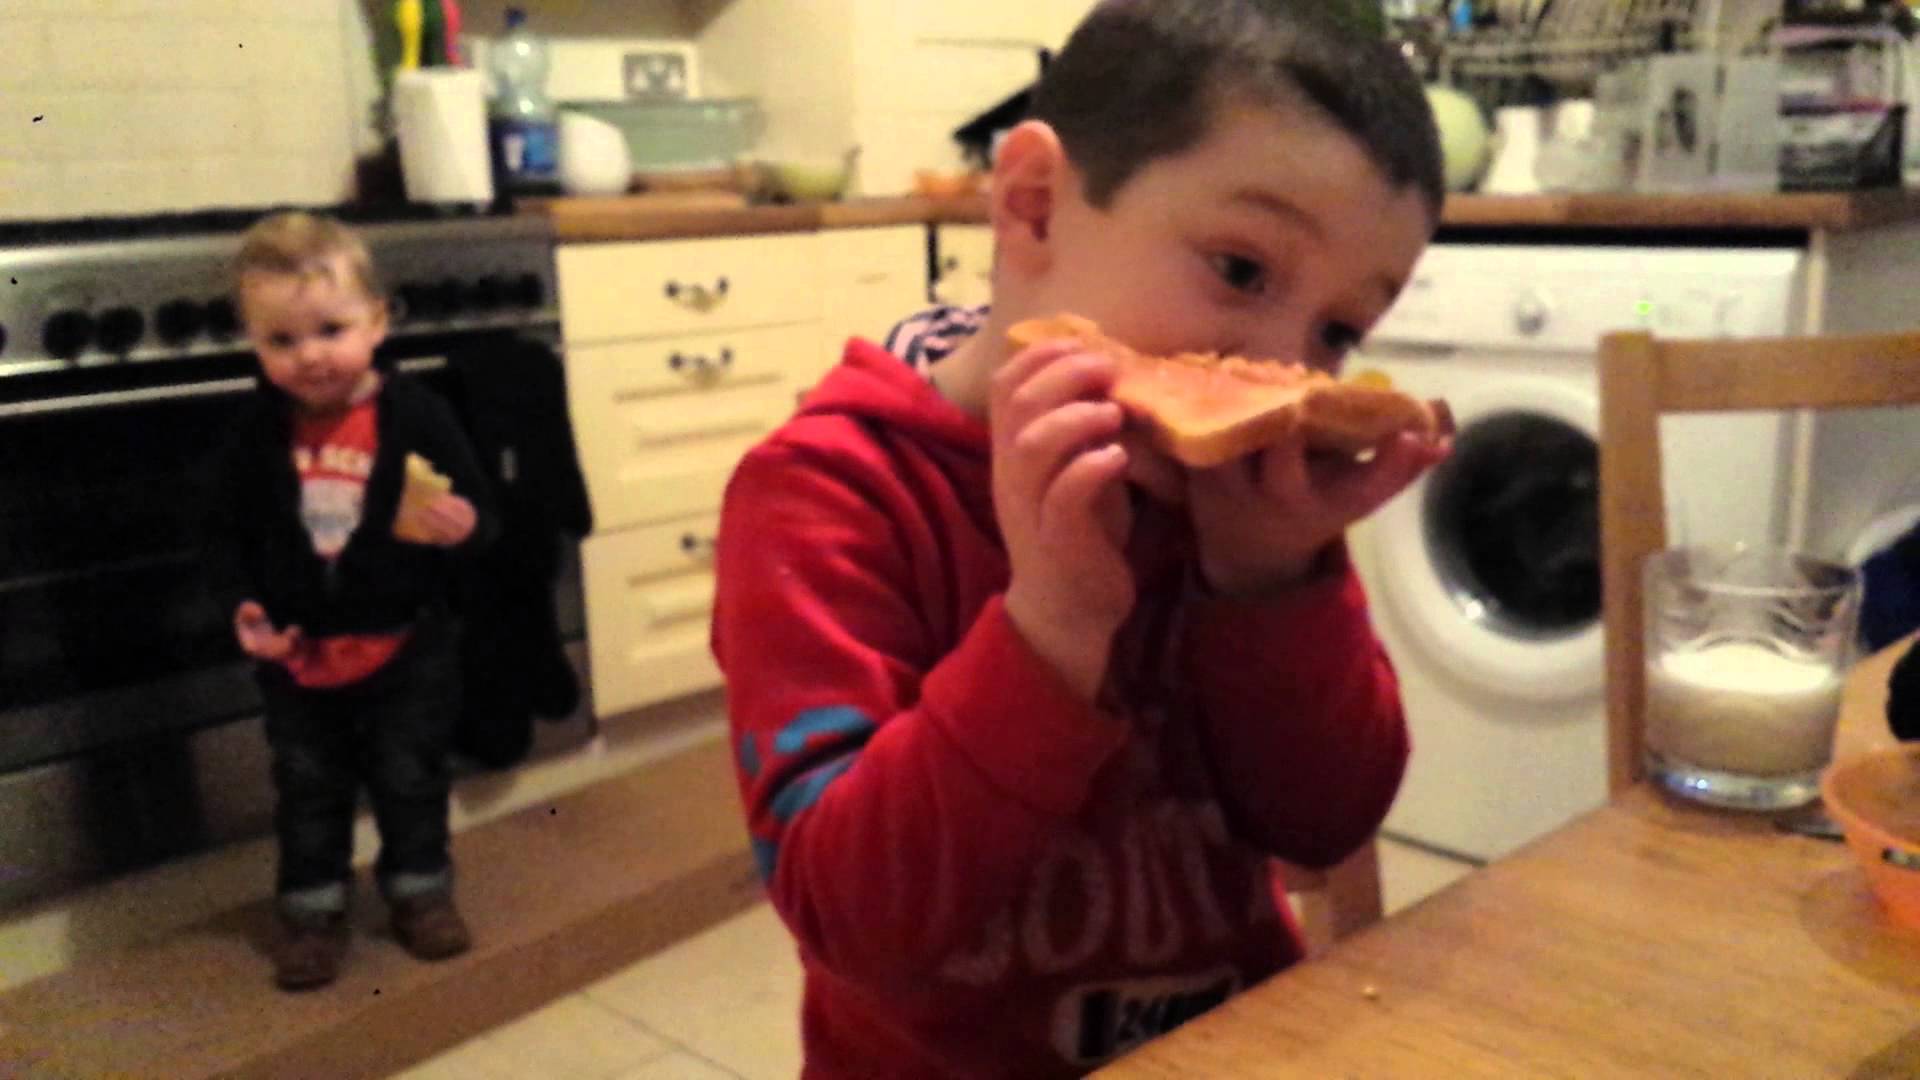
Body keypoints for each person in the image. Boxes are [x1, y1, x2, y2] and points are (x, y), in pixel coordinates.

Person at [711, 1, 1449, 1074]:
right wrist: (1050, 630)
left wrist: (1270, 582)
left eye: (1338, 330)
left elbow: (1325, 825)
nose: (1284, 368)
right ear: (1034, 206)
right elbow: (854, 924)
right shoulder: (827, 495)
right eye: (1242, 270)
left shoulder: (1238, 508)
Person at [202, 212, 495, 991]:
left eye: (330, 330)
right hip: (297, 654)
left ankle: (420, 891)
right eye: (282, 340)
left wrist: (465, 526)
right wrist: (243, 605)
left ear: (377, 322)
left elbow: (483, 516)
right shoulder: (253, 433)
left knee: (410, 776)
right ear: (253, 343)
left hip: (408, 646)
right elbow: (222, 537)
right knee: (308, 786)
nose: (310, 355)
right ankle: (312, 912)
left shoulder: (418, 415)